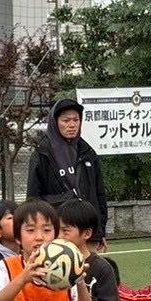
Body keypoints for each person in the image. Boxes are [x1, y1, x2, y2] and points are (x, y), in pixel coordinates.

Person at [26, 99, 107, 238]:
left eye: (76, 120)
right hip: (57, 233)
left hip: (87, 232)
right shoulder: (42, 154)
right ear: (55, 122)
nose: (72, 125)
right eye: (66, 120)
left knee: (90, 261)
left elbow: (99, 194)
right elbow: (33, 201)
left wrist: (100, 232)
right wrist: (66, 199)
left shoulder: (88, 152)